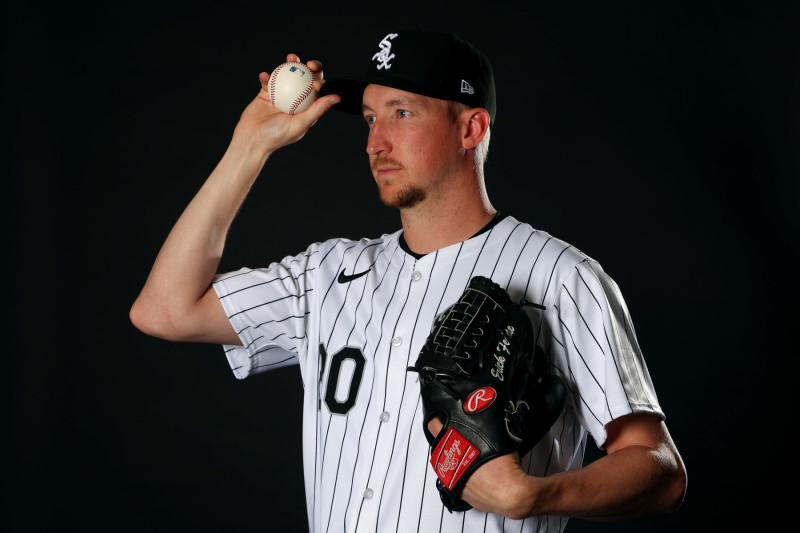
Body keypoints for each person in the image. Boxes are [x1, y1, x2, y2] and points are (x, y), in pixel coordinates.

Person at [130, 29, 687, 532]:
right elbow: (165, 310)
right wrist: (248, 147)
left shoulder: (562, 277)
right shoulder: (327, 273)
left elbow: (660, 470)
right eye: (371, 117)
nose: (375, 142)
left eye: (401, 113)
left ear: (471, 127)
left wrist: (535, 495)